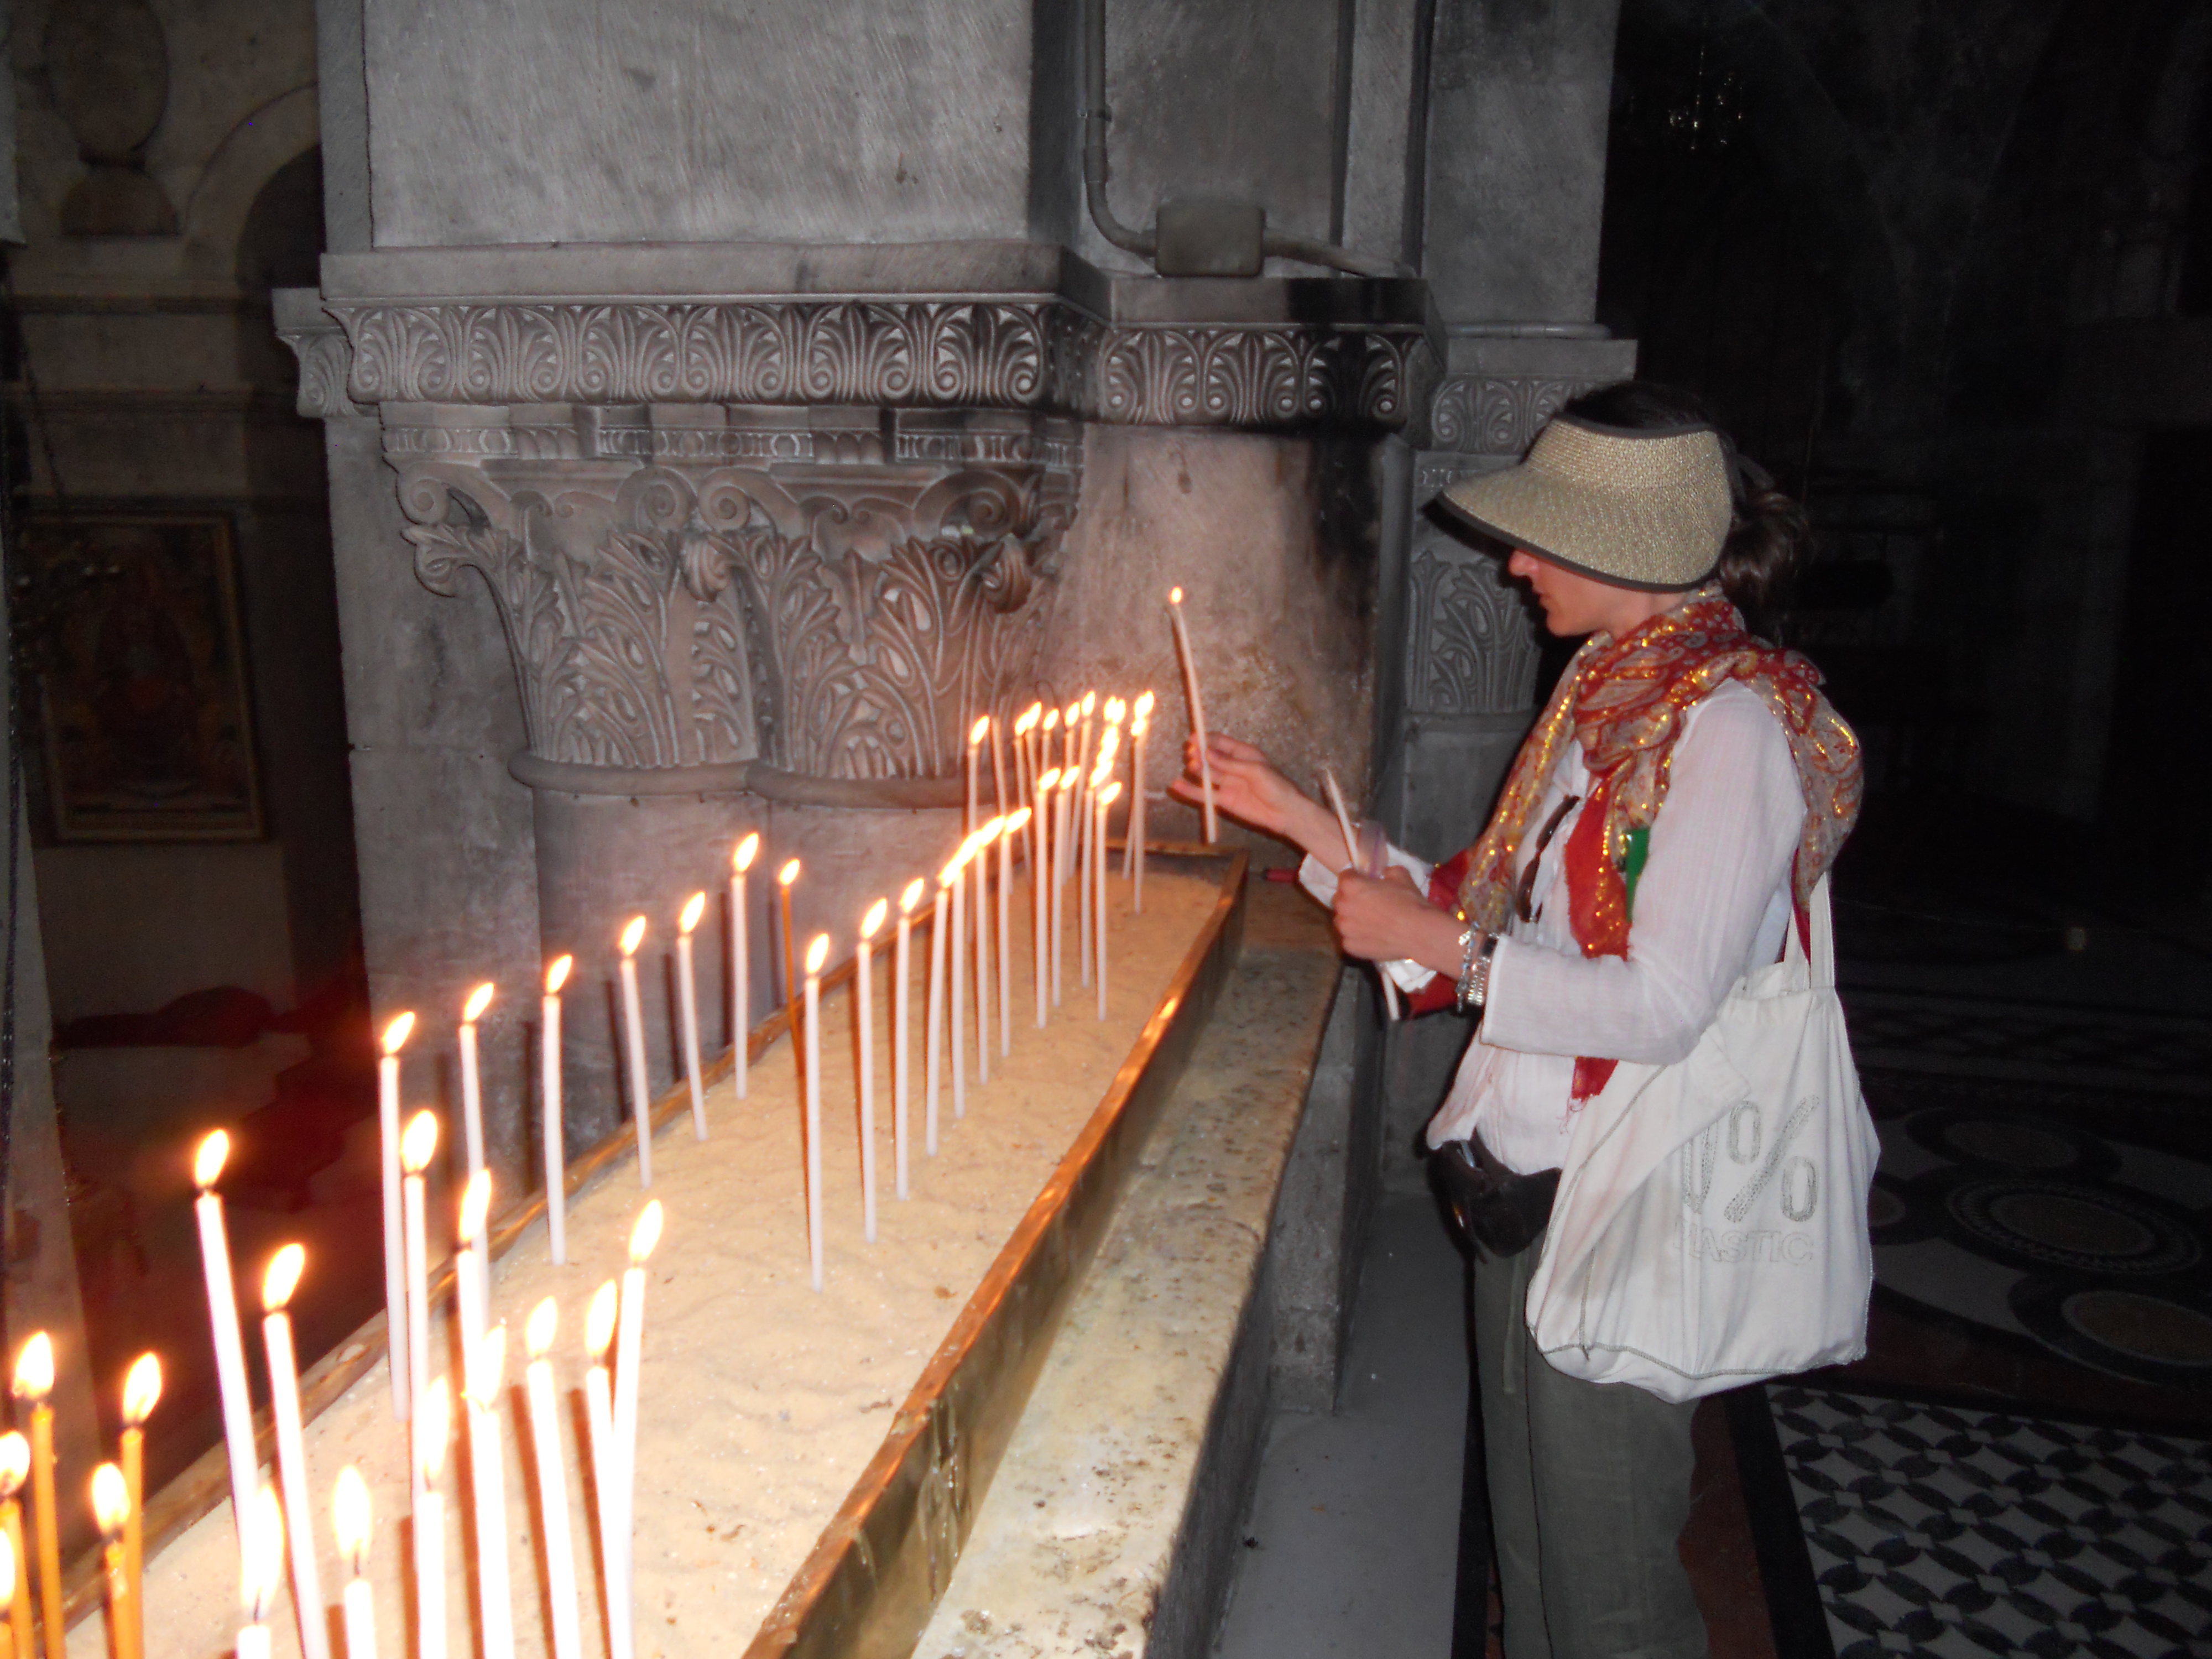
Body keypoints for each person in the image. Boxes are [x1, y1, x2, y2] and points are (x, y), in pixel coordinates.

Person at [1172, 381, 1862, 1659]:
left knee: (1607, 1595)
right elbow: (1485, 907)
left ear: (1631, 553)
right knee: (1536, 1552)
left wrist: (1440, 945)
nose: (1514, 564)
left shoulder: (1726, 732)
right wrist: (1297, 818)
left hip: (1625, 1195)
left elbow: (1657, 1004)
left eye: (1542, 539)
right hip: (1525, 1184)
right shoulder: (1607, 694)